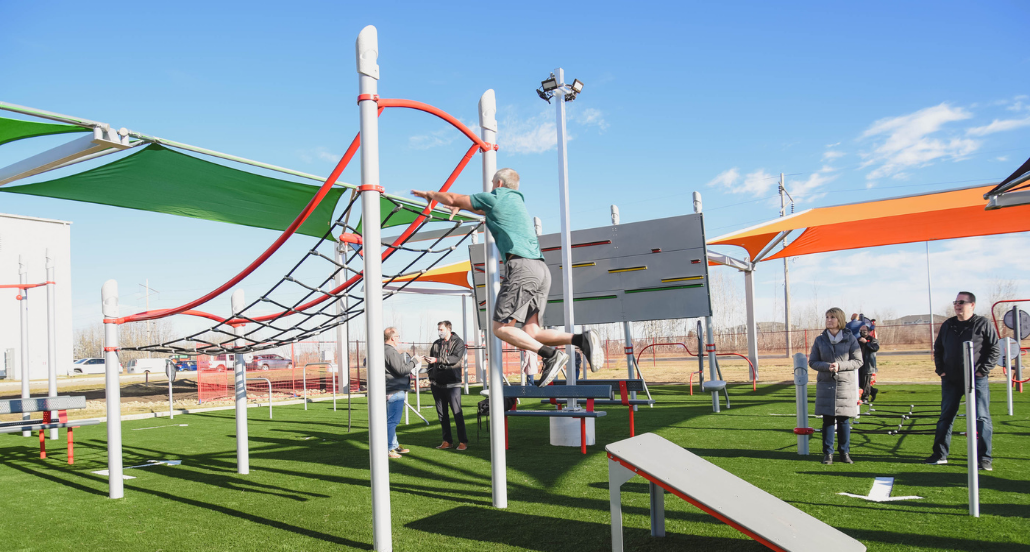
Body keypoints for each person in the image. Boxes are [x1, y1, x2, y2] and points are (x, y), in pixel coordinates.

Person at [412, 168, 605, 387]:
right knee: (532, 331)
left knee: (500, 328)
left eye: (493, 183)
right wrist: (465, 206)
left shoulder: (496, 197)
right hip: (540, 269)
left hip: (521, 267)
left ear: (500, 183)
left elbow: (453, 197)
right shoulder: (516, 204)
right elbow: (483, 211)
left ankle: (551, 355)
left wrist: (431, 194)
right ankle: (581, 339)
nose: (491, 187)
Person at [926, 291, 999, 470]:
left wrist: (982, 371)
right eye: (956, 302)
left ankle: (984, 458)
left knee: (981, 417)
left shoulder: (982, 324)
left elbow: (995, 349)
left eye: (961, 302)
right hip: (951, 379)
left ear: (972, 305)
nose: (957, 305)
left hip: (976, 379)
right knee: (946, 417)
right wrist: (941, 370)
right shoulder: (948, 325)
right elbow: (939, 348)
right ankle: (940, 454)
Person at [809, 307, 863, 465]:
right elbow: (812, 362)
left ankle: (844, 452)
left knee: (843, 420)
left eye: (832, 317)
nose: (829, 320)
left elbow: (858, 361)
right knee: (827, 420)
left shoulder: (850, 338)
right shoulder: (820, 340)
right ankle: (828, 453)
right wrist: (827, 366)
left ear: (840, 319)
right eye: (827, 317)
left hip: (844, 384)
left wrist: (840, 365)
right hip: (826, 384)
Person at [426, 320, 469, 451]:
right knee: (442, 414)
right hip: (437, 384)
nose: (439, 331)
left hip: (452, 384)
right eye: (438, 329)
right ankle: (447, 441)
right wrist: (431, 374)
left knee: (457, 413)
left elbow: (455, 359)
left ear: (448, 329)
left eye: (441, 329)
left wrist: (437, 360)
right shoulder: (436, 344)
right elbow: (431, 362)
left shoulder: (458, 342)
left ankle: (463, 441)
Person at [384, 327, 421, 459]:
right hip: (395, 390)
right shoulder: (390, 352)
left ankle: (393, 444)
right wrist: (415, 361)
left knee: (390, 420)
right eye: (398, 336)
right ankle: (389, 448)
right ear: (393, 338)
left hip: (390, 389)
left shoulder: (384, 350)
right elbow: (401, 370)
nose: (399, 338)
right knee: (392, 421)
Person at [856, 325, 880, 403]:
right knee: (859, 382)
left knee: (866, 382)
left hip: (868, 364)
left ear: (868, 331)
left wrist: (866, 343)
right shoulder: (857, 340)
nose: (862, 331)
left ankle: (865, 398)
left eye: (864, 330)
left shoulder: (873, 340)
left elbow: (875, 348)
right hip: (859, 363)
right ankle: (872, 391)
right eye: (861, 330)